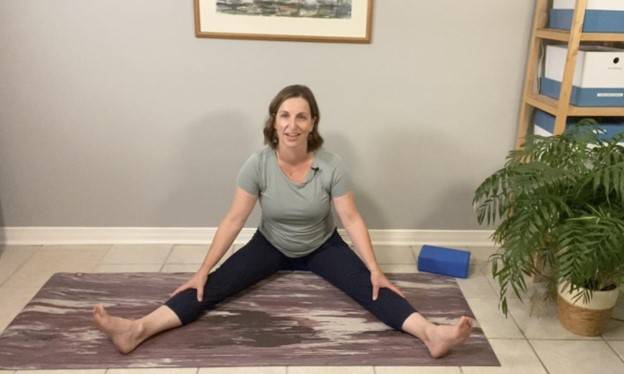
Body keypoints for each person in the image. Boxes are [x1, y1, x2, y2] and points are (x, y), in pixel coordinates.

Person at [93, 84, 473, 358]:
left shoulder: (332, 165)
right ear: (274, 122)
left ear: (312, 124)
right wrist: (202, 269)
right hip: (270, 244)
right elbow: (233, 219)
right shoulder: (257, 165)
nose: (292, 124)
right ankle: (137, 330)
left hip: (323, 246)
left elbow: (352, 219)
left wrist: (375, 268)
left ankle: (431, 334)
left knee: (371, 288)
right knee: (213, 285)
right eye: (285, 116)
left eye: (301, 117)